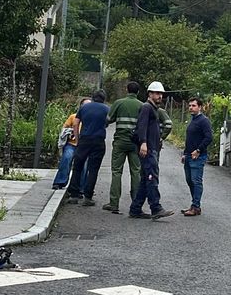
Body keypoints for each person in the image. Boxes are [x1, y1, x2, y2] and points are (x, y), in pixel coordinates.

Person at [128, 81, 174, 220]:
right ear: (150, 94)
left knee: (145, 179)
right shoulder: (147, 107)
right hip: (148, 149)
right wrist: (143, 143)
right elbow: (141, 126)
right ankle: (156, 208)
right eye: (157, 93)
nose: (160, 96)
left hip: (152, 147)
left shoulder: (153, 109)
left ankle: (135, 209)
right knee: (151, 177)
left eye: (161, 93)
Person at [65, 90, 111, 206]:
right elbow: (107, 122)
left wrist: (77, 138)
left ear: (93, 97)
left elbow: (75, 123)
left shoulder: (84, 108)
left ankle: (74, 195)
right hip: (98, 141)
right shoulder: (106, 109)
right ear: (104, 99)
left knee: (77, 167)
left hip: (84, 139)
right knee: (93, 169)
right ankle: (88, 197)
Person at [104, 82, 143, 213]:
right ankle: (136, 203)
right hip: (135, 143)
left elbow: (108, 119)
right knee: (136, 172)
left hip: (120, 141)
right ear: (138, 92)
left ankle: (114, 203)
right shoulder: (142, 106)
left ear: (127, 90)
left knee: (116, 172)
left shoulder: (119, 102)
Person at [181, 95, 213, 216]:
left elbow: (209, 137)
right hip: (189, 155)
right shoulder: (193, 120)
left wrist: (198, 150)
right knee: (189, 180)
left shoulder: (204, 121)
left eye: (194, 105)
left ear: (200, 107)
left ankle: (196, 206)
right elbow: (190, 139)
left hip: (198, 156)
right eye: (189, 105)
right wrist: (185, 153)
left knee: (196, 181)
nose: (191, 108)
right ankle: (194, 205)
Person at [51, 99, 88, 190]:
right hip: (71, 144)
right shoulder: (73, 117)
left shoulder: (90, 118)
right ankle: (59, 181)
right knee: (66, 159)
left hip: (84, 146)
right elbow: (64, 129)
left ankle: (81, 187)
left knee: (84, 165)